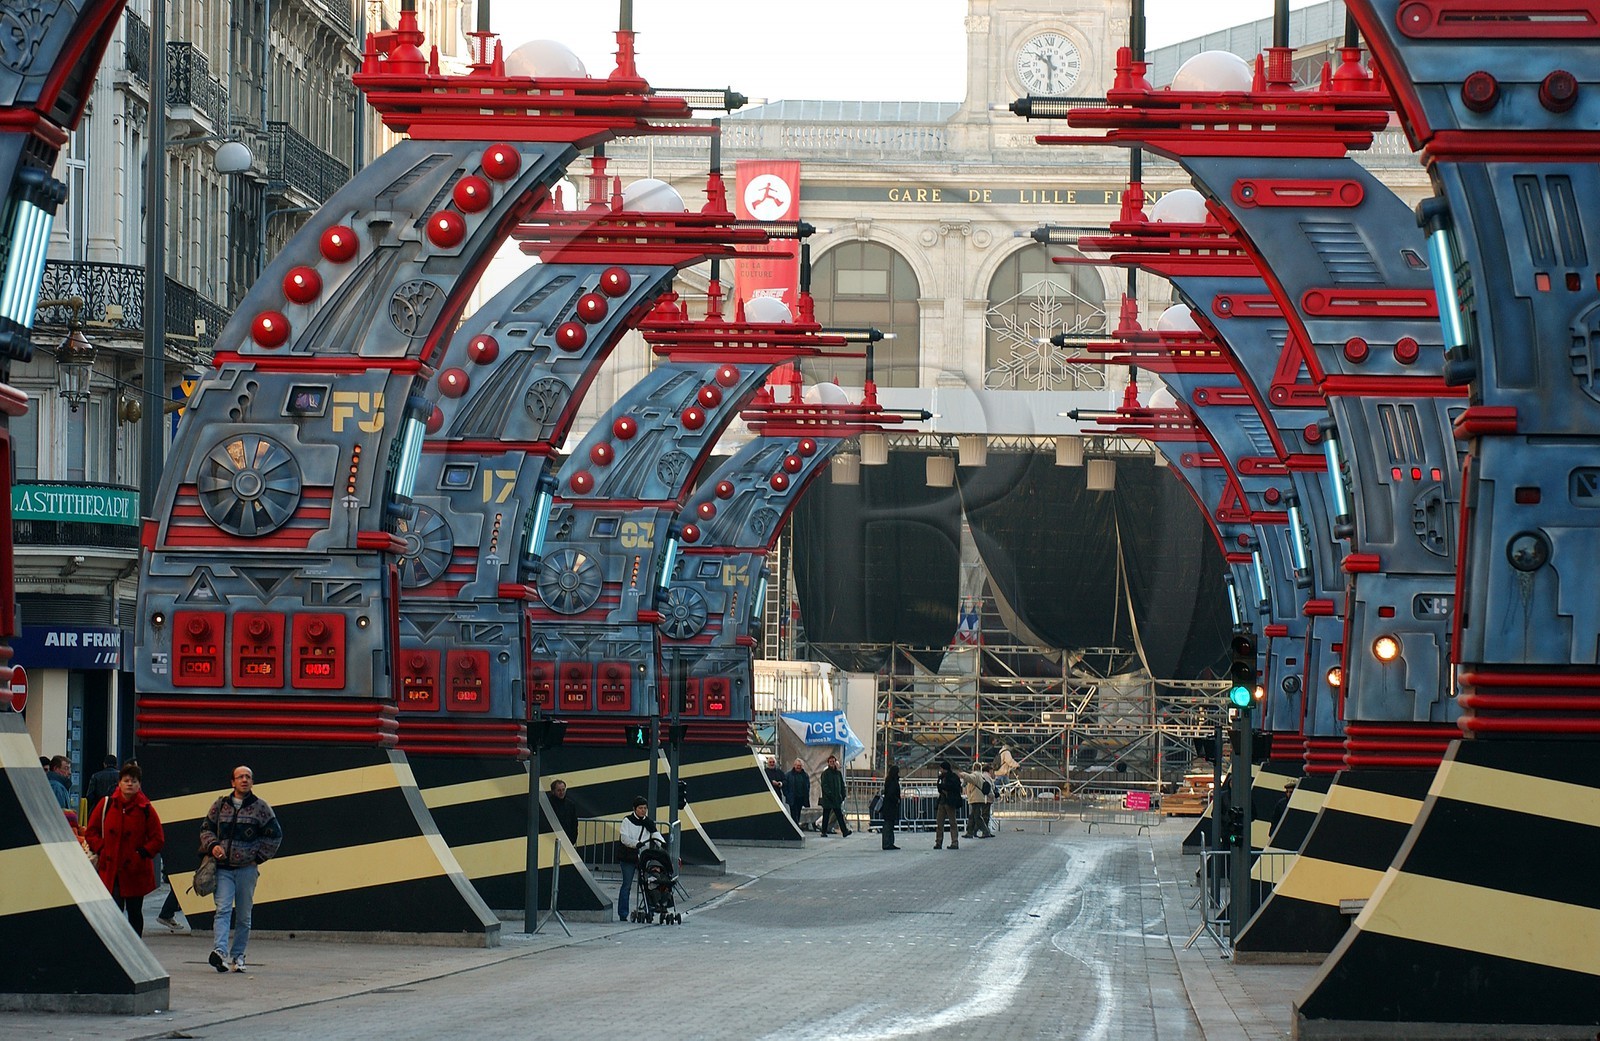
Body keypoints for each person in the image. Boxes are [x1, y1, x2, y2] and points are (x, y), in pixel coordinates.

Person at [199, 765, 283, 973]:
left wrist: (258, 858)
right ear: (233, 782)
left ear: (252, 782)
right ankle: (220, 952)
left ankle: (238, 956)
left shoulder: (261, 808)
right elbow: (206, 829)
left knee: (244, 915)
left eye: (248, 777)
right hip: (223, 869)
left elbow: (275, 836)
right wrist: (213, 845)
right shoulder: (220, 805)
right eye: (240, 777)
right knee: (223, 909)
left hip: (247, 869)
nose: (244, 780)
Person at [85, 763, 165, 936]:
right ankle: (115, 943)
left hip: (135, 869)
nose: (130, 784)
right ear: (119, 783)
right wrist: (102, 848)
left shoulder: (146, 808)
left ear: (139, 785)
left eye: (134, 781)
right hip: (111, 868)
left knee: (135, 912)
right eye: (126, 780)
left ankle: (135, 945)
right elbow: (91, 832)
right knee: (114, 911)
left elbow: (157, 839)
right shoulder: (106, 804)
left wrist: (141, 853)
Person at [616, 797, 656, 922]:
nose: (643, 810)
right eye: (640, 808)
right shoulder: (627, 821)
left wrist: (662, 844)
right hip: (628, 856)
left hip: (643, 856)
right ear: (634, 809)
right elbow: (624, 838)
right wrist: (636, 844)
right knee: (627, 885)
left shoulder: (648, 822)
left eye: (645, 808)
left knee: (647, 884)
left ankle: (649, 910)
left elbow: (655, 834)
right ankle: (623, 913)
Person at [818, 754, 851, 837]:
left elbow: (842, 785)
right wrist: (829, 794)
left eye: (833, 761)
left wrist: (843, 795)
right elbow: (824, 785)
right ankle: (824, 831)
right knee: (826, 815)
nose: (832, 763)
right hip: (828, 799)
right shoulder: (825, 773)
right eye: (830, 762)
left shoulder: (838, 773)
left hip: (837, 799)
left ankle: (844, 831)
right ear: (828, 763)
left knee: (839, 816)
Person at [960, 763, 994, 839]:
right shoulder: (981, 776)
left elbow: (969, 777)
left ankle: (985, 832)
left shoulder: (975, 775)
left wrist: (962, 774)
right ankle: (970, 832)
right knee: (972, 816)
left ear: (973, 768)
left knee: (977, 817)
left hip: (975, 798)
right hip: (980, 798)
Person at [933, 760, 962, 850]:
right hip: (943, 801)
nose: (940, 770)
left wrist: (943, 787)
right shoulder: (944, 777)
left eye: (941, 768)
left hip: (949, 801)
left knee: (949, 823)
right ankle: (942, 842)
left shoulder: (951, 777)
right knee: (942, 823)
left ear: (944, 768)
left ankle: (951, 842)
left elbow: (952, 787)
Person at [879, 764, 901, 850]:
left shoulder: (889, 780)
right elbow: (891, 794)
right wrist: (897, 799)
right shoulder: (893, 782)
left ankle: (889, 842)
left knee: (889, 824)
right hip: (890, 806)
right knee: (888, 825)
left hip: (888, 805)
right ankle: (887, 843)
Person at [784, 758, 810, 828]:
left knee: (798, 812)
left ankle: (795, 826)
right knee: (793, 813)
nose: (798, 767)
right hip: (792, 797)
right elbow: (785, 786)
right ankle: (795, 827)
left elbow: (808, 786)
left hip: (801, 797)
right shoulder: (788, 775)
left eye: (800, 765)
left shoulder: (805, 775)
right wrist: (787, 794)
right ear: (794, 765)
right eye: (797, 765)